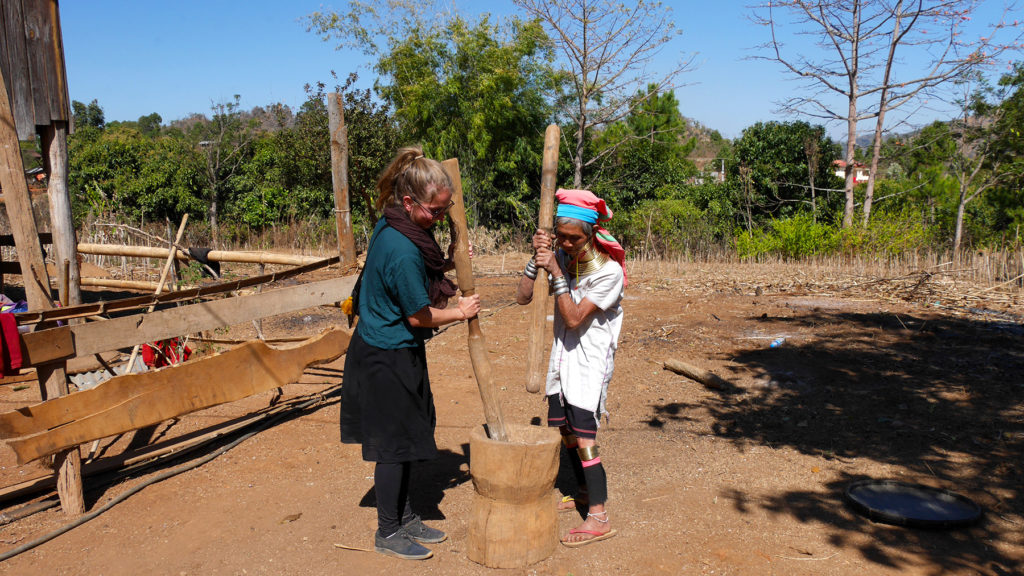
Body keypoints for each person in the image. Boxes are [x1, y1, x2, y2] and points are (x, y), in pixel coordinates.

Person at [340, 146, 481, 560]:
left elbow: (422, 268)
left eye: (445, 210)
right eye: (435, 212)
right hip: (385, 356)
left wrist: (451, 262)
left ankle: (404, 517)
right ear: (408, 202)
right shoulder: (400, 246)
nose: (440, 219)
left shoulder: (397, 226)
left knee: (405, 439)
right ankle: (387, 532)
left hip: (394, 348)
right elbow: (419, 316)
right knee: (392, 447)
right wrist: (460, 311)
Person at [516, 188, 626, 547]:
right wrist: (537, 259)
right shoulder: (562, 259)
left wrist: (556, 271)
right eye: (559, 236)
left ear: (591, 234)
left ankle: (599, 517)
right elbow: (522, 296)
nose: (565, 243)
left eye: (572, 238)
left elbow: (574, 317)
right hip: (560, 363)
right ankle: (581, 491)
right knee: (564, 433)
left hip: (586, 367)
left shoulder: (609, 273)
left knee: (586, 441)